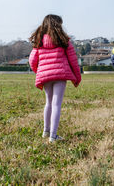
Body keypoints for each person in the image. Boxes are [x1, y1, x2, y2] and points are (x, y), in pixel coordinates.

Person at [29, 14, 81, 143]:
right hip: (60, 75)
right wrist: (77, 77)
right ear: (58, 25)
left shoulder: (39, 41)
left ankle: (46, 131)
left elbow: (32, 61)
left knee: (48, 103)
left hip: (45, 76)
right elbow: (73, 61)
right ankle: (53, 136)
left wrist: (40, 72)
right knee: (56, 104)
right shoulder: (64, 41)